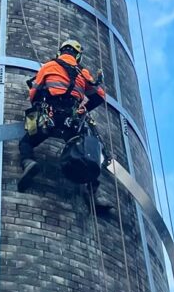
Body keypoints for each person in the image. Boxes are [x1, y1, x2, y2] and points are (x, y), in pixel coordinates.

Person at [18, 39, 110, 211]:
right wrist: (83, 109)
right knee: (85, 152)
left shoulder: (49, 66)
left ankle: (28, 162)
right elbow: (99, 96)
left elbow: (34, 92)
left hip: (49, 116)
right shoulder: (83, 73)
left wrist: (39, 106)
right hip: (72, 121)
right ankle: (93, 194)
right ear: (78, 56)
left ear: (60, 52)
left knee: (26, 142)